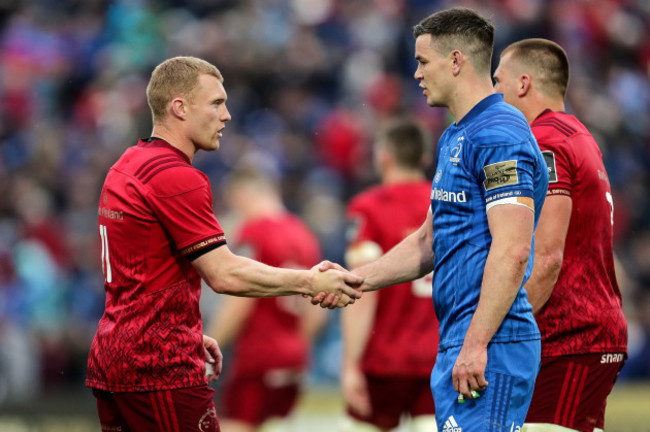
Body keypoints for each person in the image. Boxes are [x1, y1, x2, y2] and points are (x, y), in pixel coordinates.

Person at [85, 56, 363, 432]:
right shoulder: (178, 177)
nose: (227, 115)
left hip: (114, 356)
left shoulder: (126, 165)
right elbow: (224, 273)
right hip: (159, 367)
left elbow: (143, 270)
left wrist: (186, 331)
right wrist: (310, 282)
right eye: (216, 103)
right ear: (179, 108)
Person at [319, 7, 548, 431]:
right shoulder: (455, 135)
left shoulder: (500, 135)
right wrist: (358, 280)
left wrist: (477, 343)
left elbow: (513, 249)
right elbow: (429, 241)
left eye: (423, 61)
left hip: (491, 343)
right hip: (459, 340)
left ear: (456, 60)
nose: (416, 74)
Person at [493, 38, 628, 432]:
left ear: (523, 84)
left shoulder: (543, 141)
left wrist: (497, 332)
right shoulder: (581, 137)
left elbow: (549, 256)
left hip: (569, 334)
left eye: (498, 80)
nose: (493, 90)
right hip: (589, 331)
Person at [206, 167, 327, 432]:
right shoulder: (304, 235)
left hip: (259, 356)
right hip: (294, 358)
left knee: (235, 425)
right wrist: (294, 345)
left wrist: (208, 344)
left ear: (243, 195)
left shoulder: (255, 232)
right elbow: (317, 312)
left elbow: (240, 301)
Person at [339, 118, 438, 432]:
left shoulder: (369, 207)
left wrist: (350, 365)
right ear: (424, 158)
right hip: (440, 355)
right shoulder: (445, 201)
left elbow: (362, 290)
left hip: (384, 358)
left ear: (383, 155)